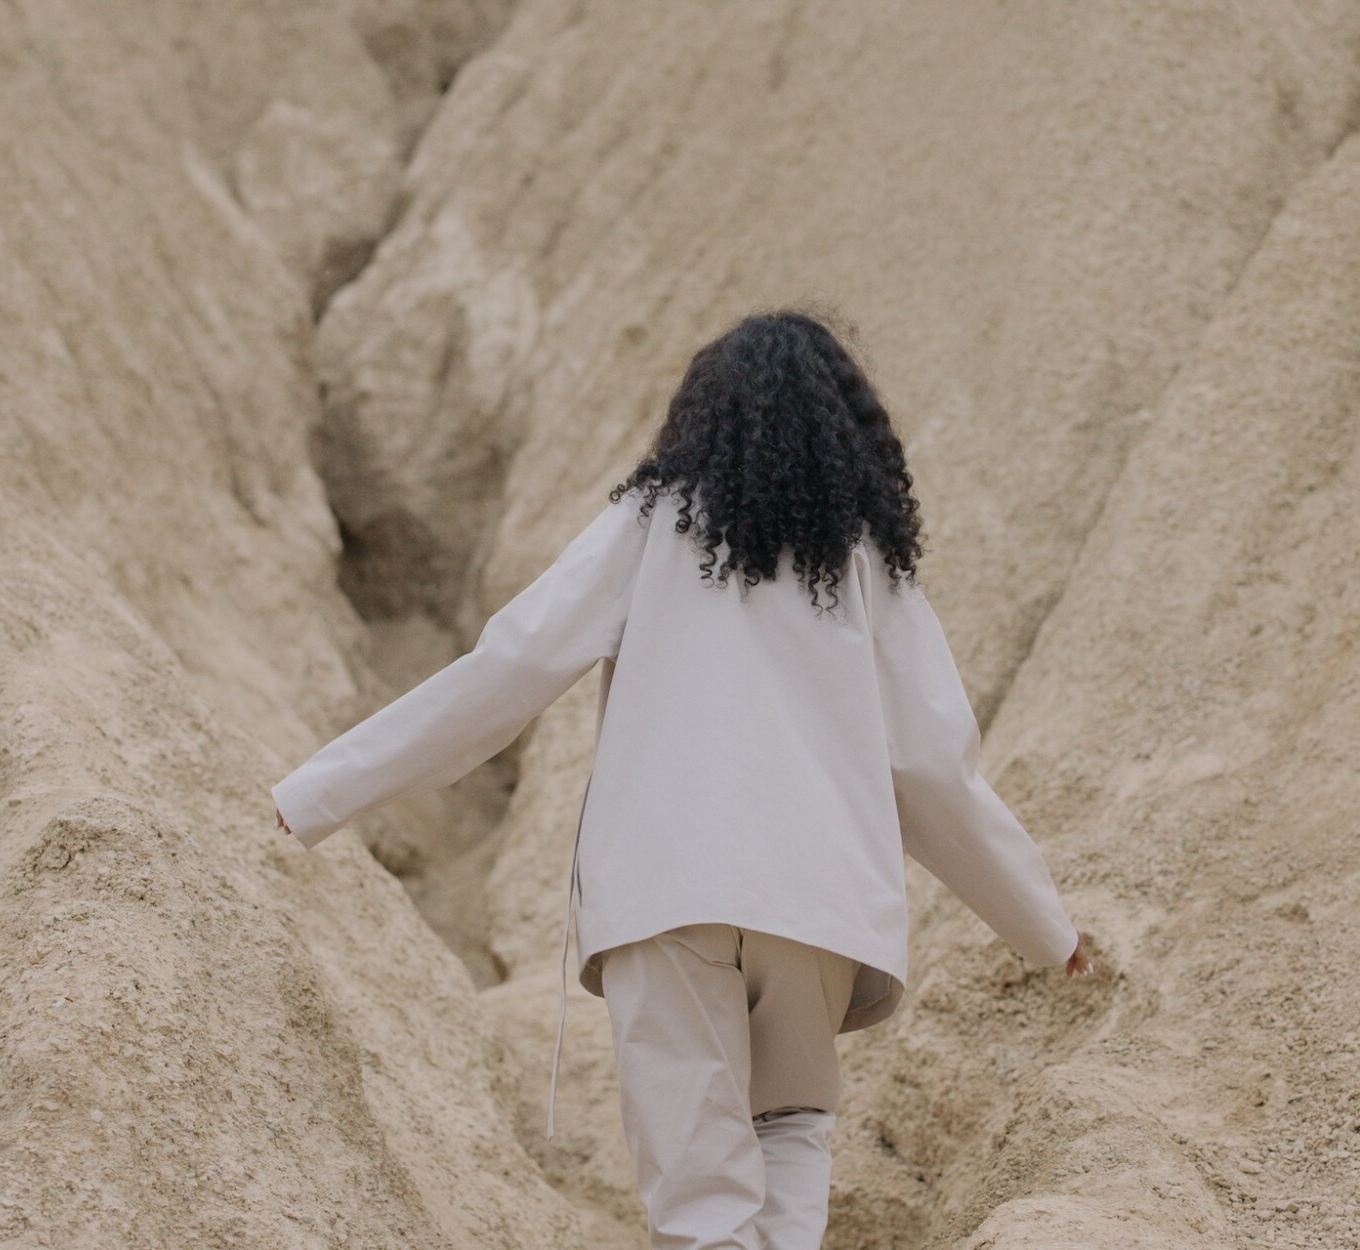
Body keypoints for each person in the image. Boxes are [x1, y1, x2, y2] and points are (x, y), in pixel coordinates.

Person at [271, 305, 1094, 1250]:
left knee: (702, 1204)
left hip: (669, 896)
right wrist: (1044, 926)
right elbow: (934, 769)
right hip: (816, 906)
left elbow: (508, 673)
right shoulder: (868, 560)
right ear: (847, 434)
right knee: (789, 1130)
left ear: (701, 420)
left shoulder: (649, 525)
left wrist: (317, 793)